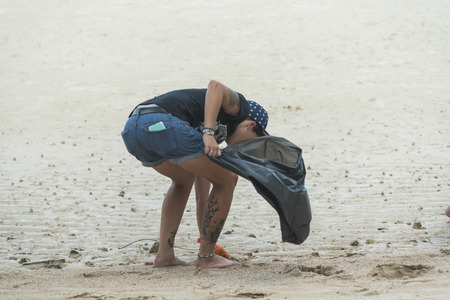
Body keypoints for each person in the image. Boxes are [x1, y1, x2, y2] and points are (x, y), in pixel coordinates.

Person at [121, 80, 269, 269]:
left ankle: (165, 256)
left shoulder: (206, 142)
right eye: (256, 141)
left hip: (134, 130)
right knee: (229, 179)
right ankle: (206, 259)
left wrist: (208, 242)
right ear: (250, 125)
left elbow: (203, 198)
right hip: (162, 122)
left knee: (183, 180)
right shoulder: (240, 109)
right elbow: (215, 86)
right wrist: (208, 133)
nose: (250, 148)